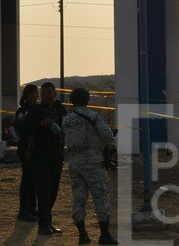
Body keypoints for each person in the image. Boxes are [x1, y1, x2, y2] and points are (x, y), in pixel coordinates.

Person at [61, 87, 118, 245]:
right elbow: (107, 135)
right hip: (92, 162)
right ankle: (105, 235)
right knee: (100, 197)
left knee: (78, 198)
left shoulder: (66, 119)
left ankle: (82, 235)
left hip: (74, 162)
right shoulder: (93, 116)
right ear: (87, 100)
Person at [18, 82, 66, 235]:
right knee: (43, 189)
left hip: (56, 153)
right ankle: (43, 223)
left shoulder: (60, 110)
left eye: (49, 92)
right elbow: (23, 128)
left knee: (53, 190)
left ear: (54, 94)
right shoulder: (35, 110)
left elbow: (67, 126)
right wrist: (40, 124)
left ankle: (47, 220)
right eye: (43, 92)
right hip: (40, 154)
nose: (46, 95)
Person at [14, 83, 40, 223]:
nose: (37, 95)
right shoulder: (22, 111)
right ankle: (24, 210)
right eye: (35, 93)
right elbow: (24, 129)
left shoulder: (34, 109)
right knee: (27, 179)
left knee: (33, 180)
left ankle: (32, 208)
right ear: (29, 94)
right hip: (26, 147)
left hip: (35, 147)